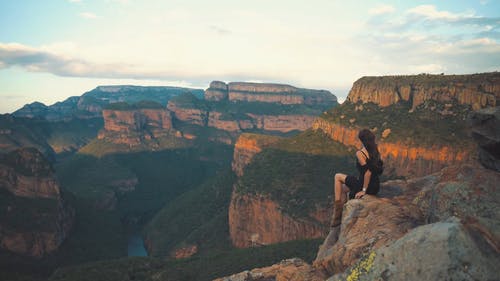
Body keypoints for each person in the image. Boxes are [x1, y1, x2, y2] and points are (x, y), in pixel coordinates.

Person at [331, 129, 382, 227]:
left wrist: (363, 190)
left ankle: (337, 212)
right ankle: (341, 213)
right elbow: (375, 170)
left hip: (366, 185)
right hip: (375, 185)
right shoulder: (375, 149)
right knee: (342, 189)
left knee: (337, 176)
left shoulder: (360, 153)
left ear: (362, 140)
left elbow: (368, 172)